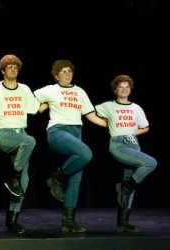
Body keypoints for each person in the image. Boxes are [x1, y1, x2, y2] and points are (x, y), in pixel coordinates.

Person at [34, 59, 106, 233]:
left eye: (70, 71)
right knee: (86, 153)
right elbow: (31, 102)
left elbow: (91, 116)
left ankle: (68, 223)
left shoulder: (80, 91)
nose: (67, 74)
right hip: (58, 132)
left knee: (76, 179)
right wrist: (42, 106)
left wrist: (112, 125)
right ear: (57, 75)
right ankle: (57, 177)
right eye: (63, 72)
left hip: (76, 131)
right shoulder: (50, 89)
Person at [0, 54, 41, 234]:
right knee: (30, 141)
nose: (13, 69)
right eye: (9, 66)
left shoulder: (24, 89)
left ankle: (12, 218)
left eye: (15, 66)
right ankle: (13, 176)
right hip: (3, 134)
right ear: (3, 70)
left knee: (25, 180)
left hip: (21, 135)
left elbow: (35, 108)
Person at [95, 74, 157, 233]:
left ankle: (122, 223)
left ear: (130, 89)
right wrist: (107, 125)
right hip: (118, 144)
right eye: (120, 87)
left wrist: (131, 131)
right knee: (150, 163)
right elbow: (89, 112)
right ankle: (125, 188)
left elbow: (146, 127)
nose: (124, 89)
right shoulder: (108, 106)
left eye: (127, 87)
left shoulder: (136, 108)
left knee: (129, 183)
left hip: (134, 143)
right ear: (115, 90)